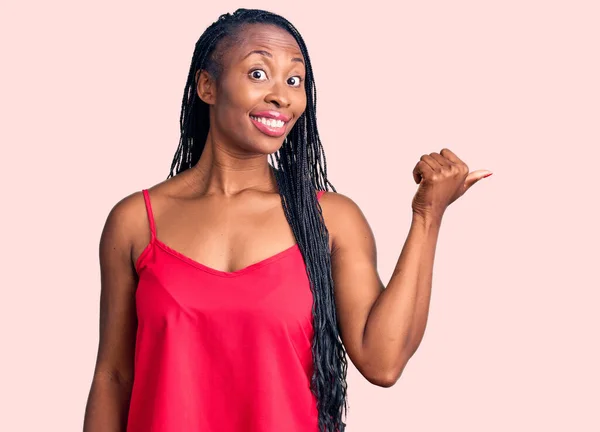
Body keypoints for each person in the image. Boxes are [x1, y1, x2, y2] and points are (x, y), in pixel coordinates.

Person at [83, 8, 492, 432]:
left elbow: (382, 361)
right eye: (258, 74)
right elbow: (113, 377)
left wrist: (427, 215)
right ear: (207, 86)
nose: (282, 96)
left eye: (294, 80)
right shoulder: (136, 221)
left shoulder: (330, 219)